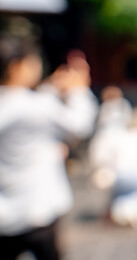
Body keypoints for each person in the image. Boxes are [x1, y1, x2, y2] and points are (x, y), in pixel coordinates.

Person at [0, 36, 97, 260]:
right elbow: (78, 124)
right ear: (18, 67)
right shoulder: (35, 107)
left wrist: (52, 87)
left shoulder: (20, 104)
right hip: (36, 210)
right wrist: (78, 89)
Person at [90, 109, 137, 228]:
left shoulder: (119, 137)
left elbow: (108, 157)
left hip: (122, 173)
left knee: (121, 195)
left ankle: (121, 215)